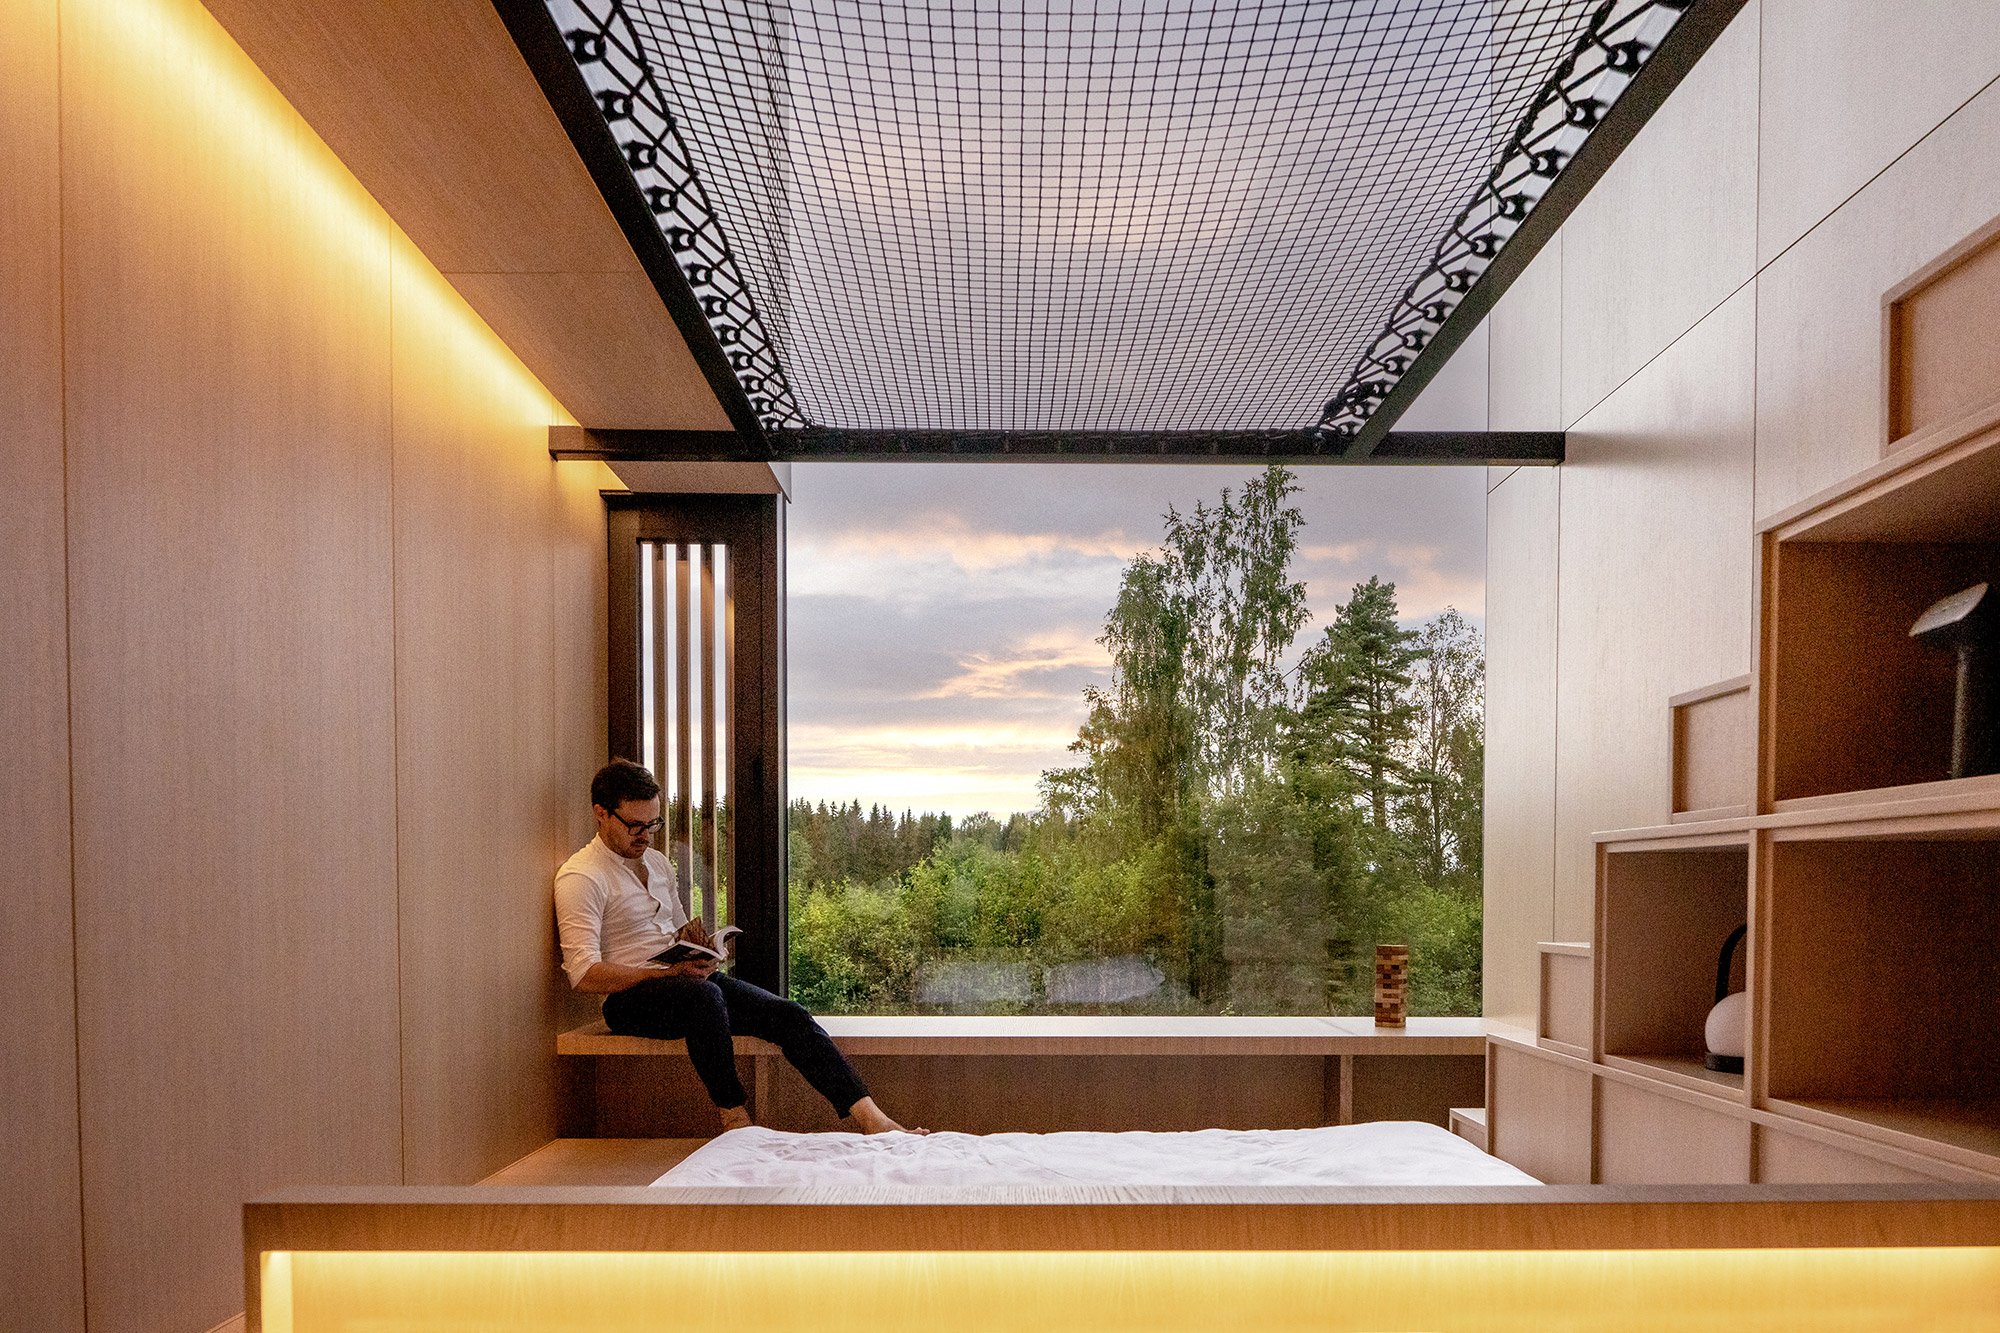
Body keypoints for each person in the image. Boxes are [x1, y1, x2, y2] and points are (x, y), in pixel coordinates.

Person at [555, 759, 921, 1135]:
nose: (646, 835)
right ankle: (735, 1119)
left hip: (687, 985)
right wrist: (667, 973)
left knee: (788, 1014)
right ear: (601, 814)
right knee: (705, 998)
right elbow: (584, 974)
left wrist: (703, 951)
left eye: (654, 824)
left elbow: (681, 930)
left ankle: (874, 1120)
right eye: (635, 825)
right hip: (629, 1000)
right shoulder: (582, 876)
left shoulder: (658, 864)